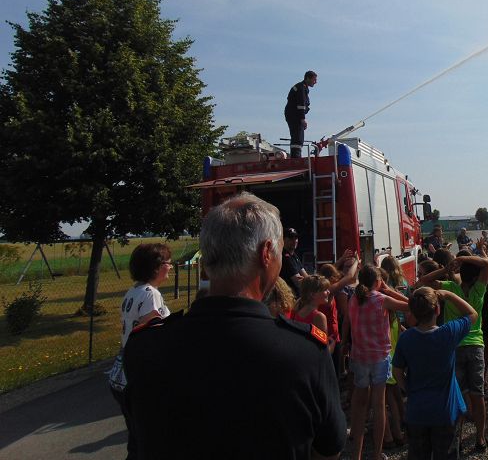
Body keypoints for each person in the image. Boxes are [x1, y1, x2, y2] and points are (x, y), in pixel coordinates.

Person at [123, 193, 346, 460]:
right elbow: (329, 449)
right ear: (266, 254)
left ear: (206, 259)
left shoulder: (145, 347)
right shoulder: (306, 353)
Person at [392, 286, 478, 459]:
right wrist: (450, 294)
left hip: (417, 410)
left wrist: (408, 388)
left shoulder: (406, 338)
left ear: (414, 313)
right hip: (445, 411)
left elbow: (397, 370)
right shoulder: (448, 333)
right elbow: (472, 315)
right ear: (437, 309)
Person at [108, 243, 172, 460]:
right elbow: (152, 331)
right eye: (167, 263)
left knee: (136, 440)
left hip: (122, 372)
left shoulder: (134, 291)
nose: (171, 267)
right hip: (139, 373)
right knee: (149, 440)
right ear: (156, 267)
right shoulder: (150, 294)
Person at [426, 250, 488, 452]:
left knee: (458, 395)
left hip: (454, 347)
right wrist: (465, 258)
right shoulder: (479, 291)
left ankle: (457, 439)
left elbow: (421, 281)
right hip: (476, 346)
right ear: (476, 276)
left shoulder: (450, 288)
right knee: (478, 394)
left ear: (460, 274)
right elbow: (486, 264)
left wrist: (444, 269)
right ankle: (480, 438)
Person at [348, 264, 409, 460]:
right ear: (378, 281)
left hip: (359, 357)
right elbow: (411, 304)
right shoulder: (382, 299)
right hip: (379, 358)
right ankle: (376, 454)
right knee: (379, 404)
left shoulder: (353, 299)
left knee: (359, 408)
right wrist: (389, 290)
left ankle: (356, 454)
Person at [284, 70, 317, 158]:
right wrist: (303, 119)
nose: (315, 82)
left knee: (296, 136)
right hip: (295, 116)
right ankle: (296, 158)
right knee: (298, 137)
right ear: (308, 78)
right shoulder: (301, 88)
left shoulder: (301, 87)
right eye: (314, 80)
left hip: (292, 115)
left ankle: (295, 156)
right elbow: (301, 105)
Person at [280, 227, 308, 296]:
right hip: (290, 297)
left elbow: (306, 276)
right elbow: (299, 282)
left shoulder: (294, 255)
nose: (294, 240)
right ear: (283, 239)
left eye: (296, 238)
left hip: (296, 296)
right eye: (291, 237)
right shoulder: (285, 257)